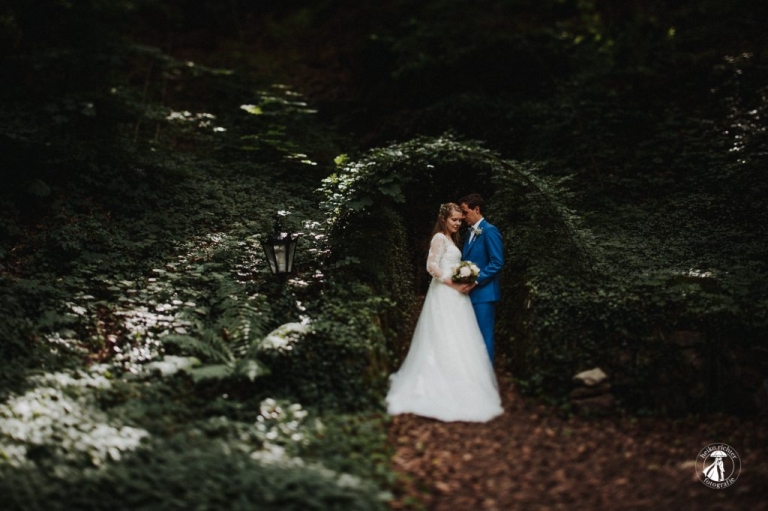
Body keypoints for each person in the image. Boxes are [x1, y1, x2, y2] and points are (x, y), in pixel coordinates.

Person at [386, 203, 503, 422]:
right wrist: (453, 283)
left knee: (459, 337)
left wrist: (464, 277)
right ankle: (437, 384)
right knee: (442, 335)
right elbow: (431, 266)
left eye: (459, 219)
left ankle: (462, 382)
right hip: (444, 293)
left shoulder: (452, 239)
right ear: (443, 219)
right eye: (454, 220)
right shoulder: (439, 238)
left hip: (457, 296)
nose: (458, 223)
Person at [459, 193, 503, 363]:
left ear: (476, 209)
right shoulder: (468, 233)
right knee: (471, 336)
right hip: (469, 293)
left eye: (465, 212)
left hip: (484, 294)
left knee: (484, 336)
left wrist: (475, 280)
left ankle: (487, 374)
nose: (463, 217)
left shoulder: (490, 231)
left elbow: (497, 262)